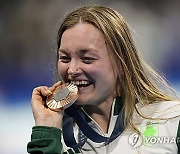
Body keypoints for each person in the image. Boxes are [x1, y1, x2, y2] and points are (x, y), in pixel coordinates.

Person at [27, 5, 180, 154]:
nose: (72, 70)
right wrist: (46, 130)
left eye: (87, 59)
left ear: (122, 62)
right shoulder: (55, 135)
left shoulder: (171, 120)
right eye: (65, 58)